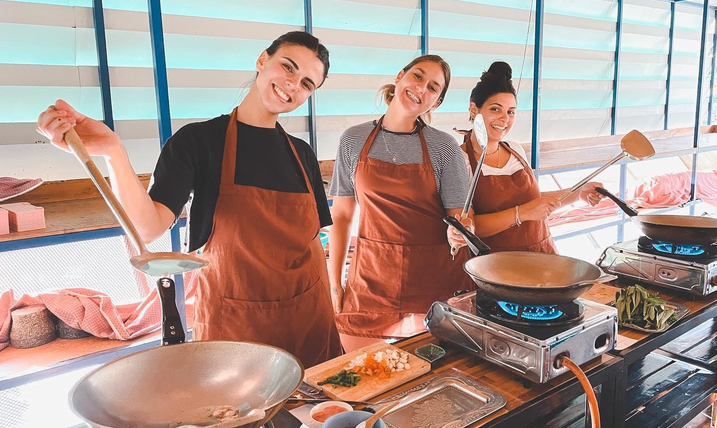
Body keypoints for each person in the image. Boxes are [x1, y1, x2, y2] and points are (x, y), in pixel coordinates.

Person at [36, 31, 342, 367]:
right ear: (262, 60)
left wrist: (329, 308)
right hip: (237, 323)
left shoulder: (301, 153)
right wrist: (114, 153)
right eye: (288, 67)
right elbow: (148, 227)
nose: (293, 85)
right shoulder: (198, 142)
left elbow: (314, 242)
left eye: (307, 83)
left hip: (308, 319)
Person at [328, 55, 473, 352]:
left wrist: (458, 232)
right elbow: (341, 216)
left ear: (437, 102)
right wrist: (335, 283)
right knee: (362, 377)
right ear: (399, 77)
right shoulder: (353, 140)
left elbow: (459, 220)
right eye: (418, 77)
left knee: (426, 383)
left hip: (432, 287)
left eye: (433, 87)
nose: (422, 88)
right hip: (370, 282)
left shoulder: (444, 147)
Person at [458, 61, 603, 254]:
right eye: (495, 109)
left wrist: (578, 193)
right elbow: (468, 228)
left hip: (541, 254)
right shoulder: (460, 159)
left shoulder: (516, 150)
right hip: (495, 265)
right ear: (474, 109)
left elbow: (535, 202)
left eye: (511, 112)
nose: (504, 118)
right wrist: (522, 213)